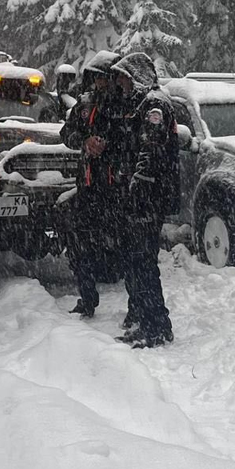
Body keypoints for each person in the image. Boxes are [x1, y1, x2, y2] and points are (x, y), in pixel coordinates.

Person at [61, 51, 180, 347]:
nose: (111, 83)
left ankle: (152, 322)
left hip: (132, 195)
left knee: (140, 261)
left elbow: (148, 152)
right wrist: (85, 142)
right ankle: (142, 317)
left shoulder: (149, 104)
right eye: (105, 78)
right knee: (132, 258)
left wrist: (133, 183)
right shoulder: (91, 104)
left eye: (116, 78)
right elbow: (70, 133)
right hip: (105, 190)